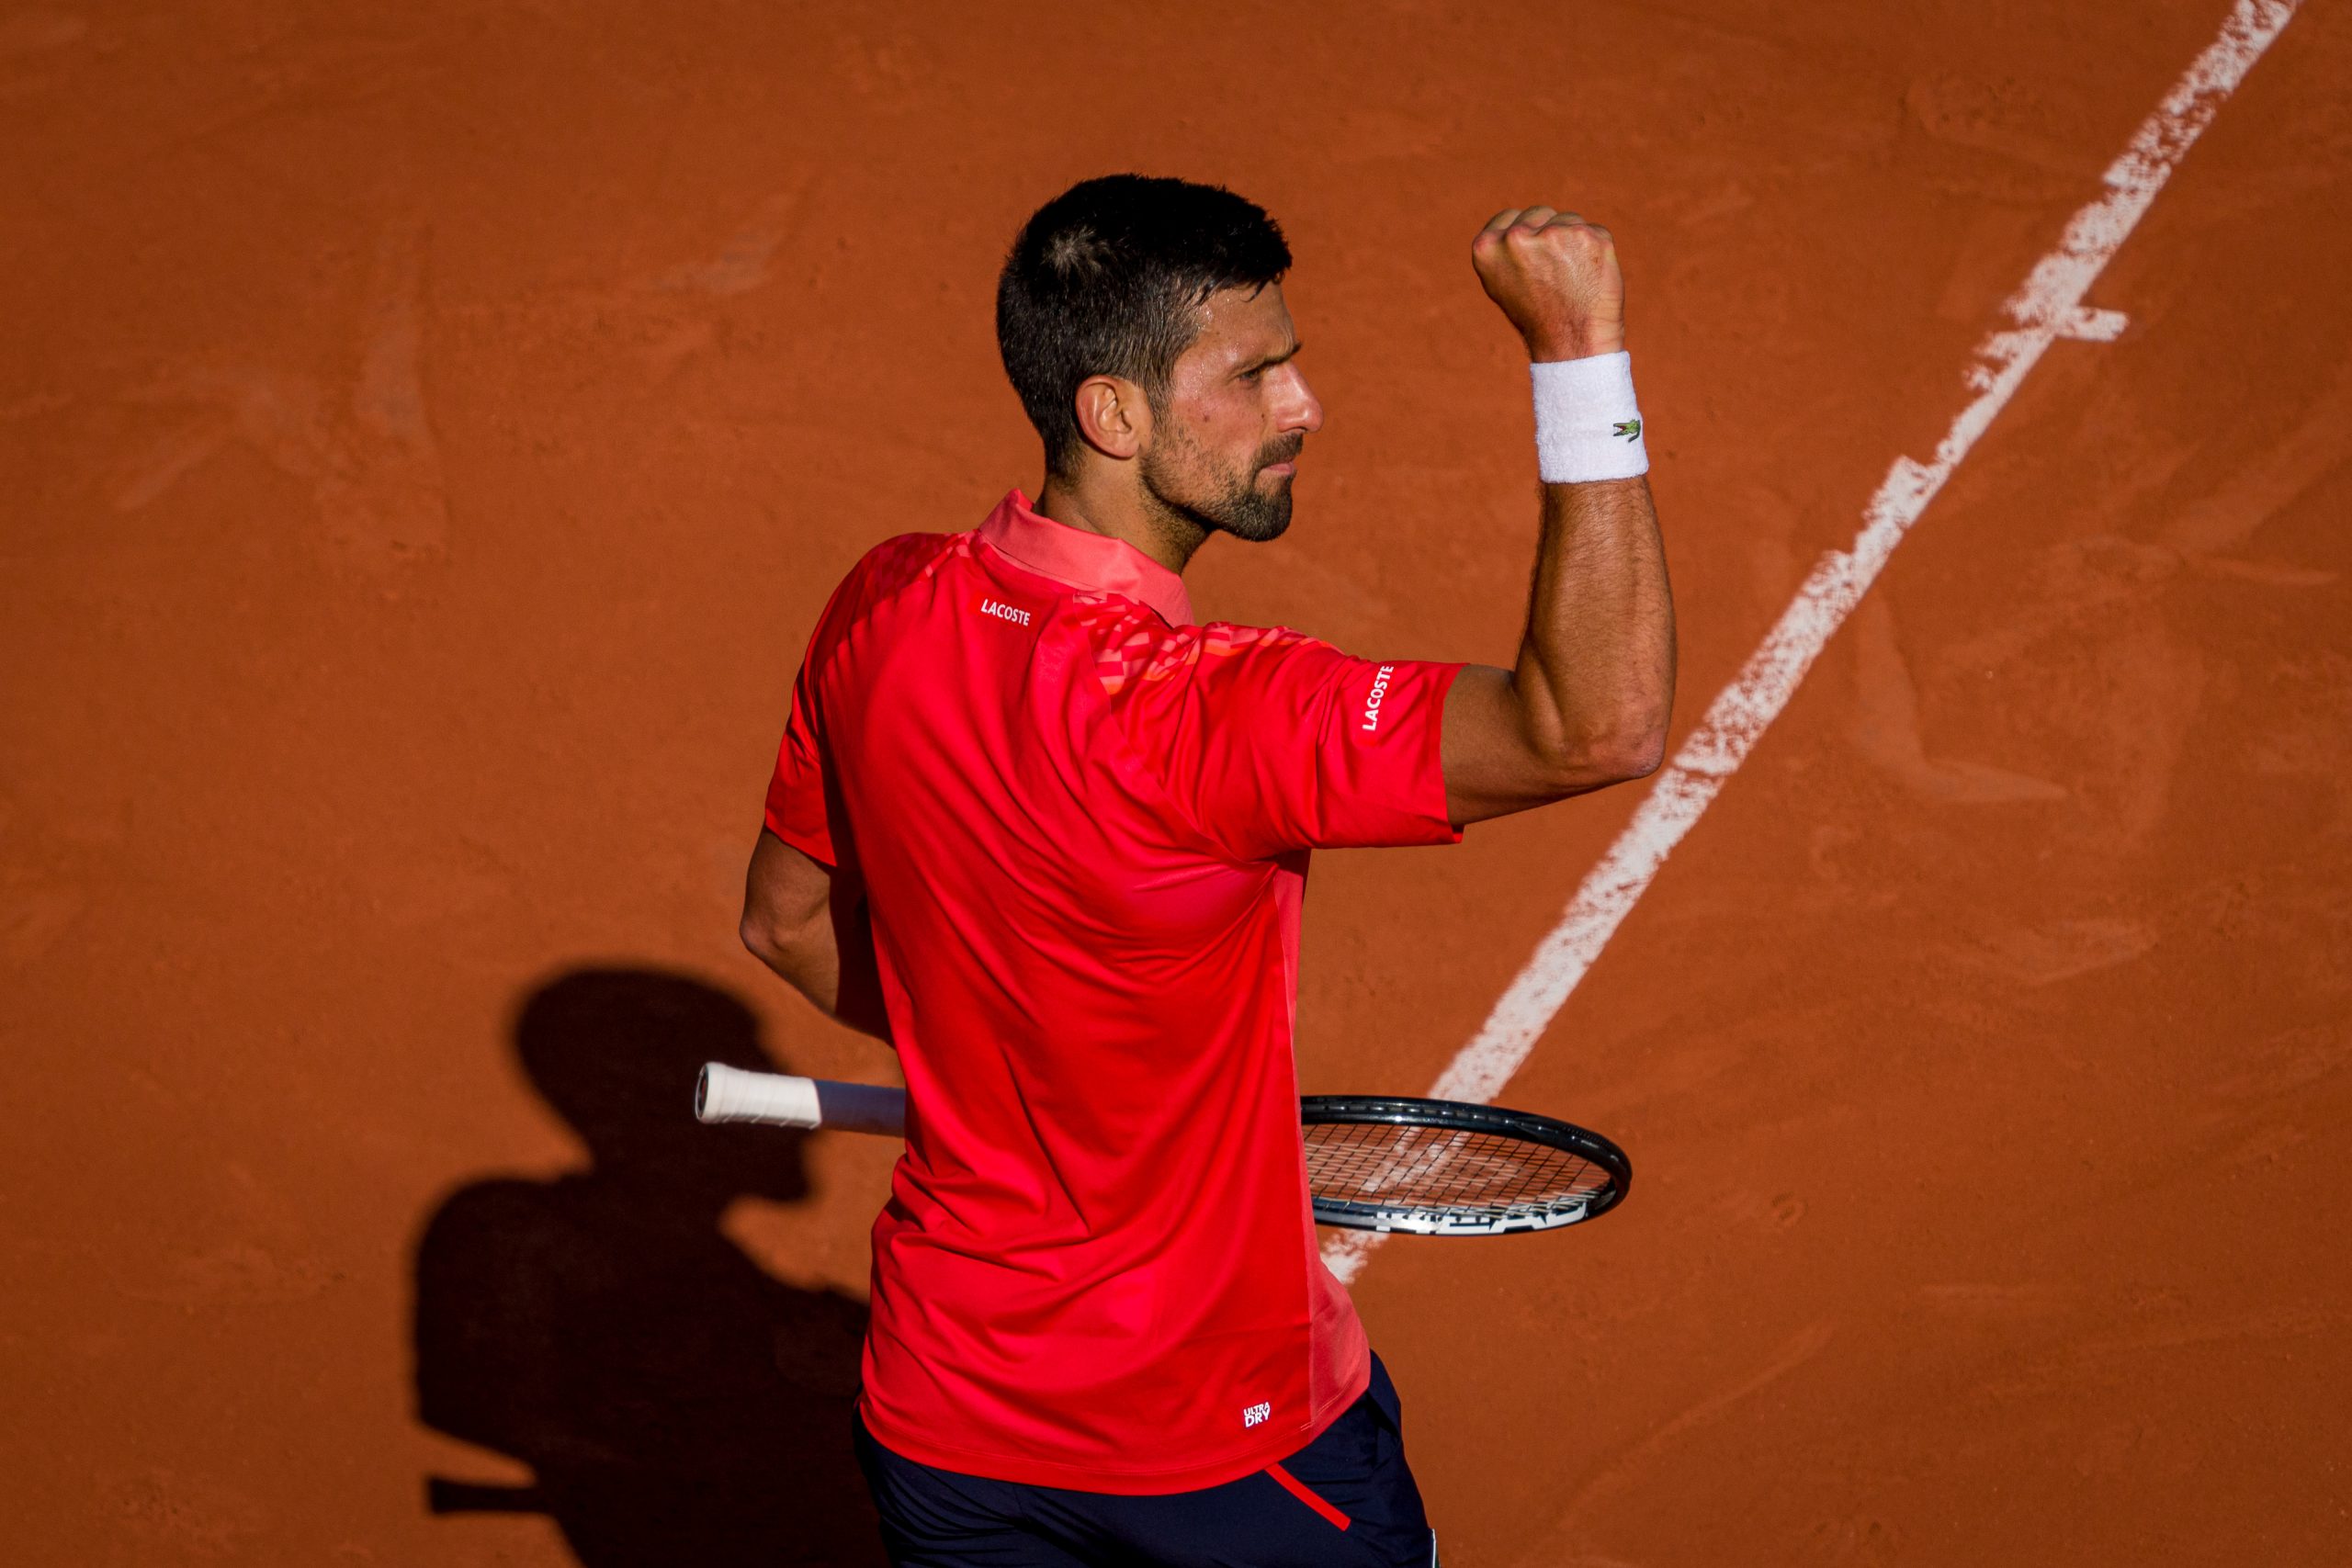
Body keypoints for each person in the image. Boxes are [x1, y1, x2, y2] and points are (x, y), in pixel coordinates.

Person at [740, 174, 1675, 1568]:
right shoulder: (1213, 713)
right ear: (1116, 415)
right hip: (1230, 1450)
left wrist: (1021, 1062)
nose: (1304, 406)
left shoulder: (883, 606)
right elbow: (1596, 721)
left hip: (947, 1428)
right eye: (1255, 375)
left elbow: (785, 921)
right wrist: (1578, 352)